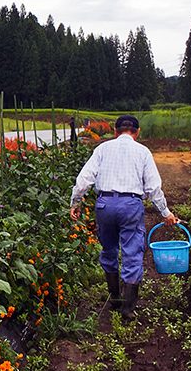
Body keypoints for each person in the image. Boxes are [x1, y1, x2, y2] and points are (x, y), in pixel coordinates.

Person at [69, 115, 178, 318]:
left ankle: (114, 298)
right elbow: (153, 187)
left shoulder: (102, 149)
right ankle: (127, 309)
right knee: (132, 252)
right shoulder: (143, 152)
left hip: (105, 204)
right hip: (130, 205)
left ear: (115, 131)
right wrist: (166, 212)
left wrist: (76, 201)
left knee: (109, 249)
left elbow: (84, 179)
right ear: (137, 132)